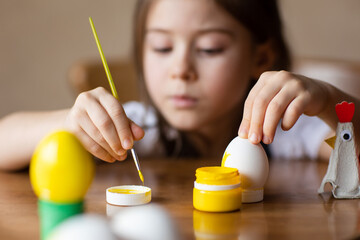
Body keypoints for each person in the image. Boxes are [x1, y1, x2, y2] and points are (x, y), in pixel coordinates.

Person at [0, 0, 358, 171]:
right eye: (162, 47)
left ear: (261, 58)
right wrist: (69, 124)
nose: (180, 69)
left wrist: (330, 102)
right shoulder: (140, 130)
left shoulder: (289, 131)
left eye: (209, 48)